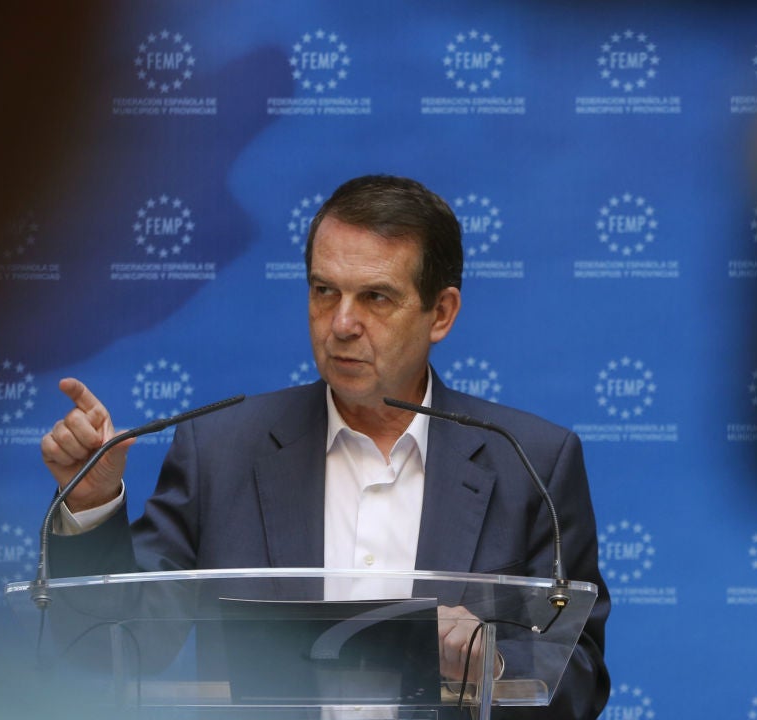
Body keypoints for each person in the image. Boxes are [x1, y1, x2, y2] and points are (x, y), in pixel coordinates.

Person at [40, 174, 610, 718]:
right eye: (324, 291)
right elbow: (115, 646)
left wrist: (493, 664)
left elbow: (580, 679)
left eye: (376, 297)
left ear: (441, 314)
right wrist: (91, 502)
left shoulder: (531, 462)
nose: (341, 323)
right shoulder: (221, 451)